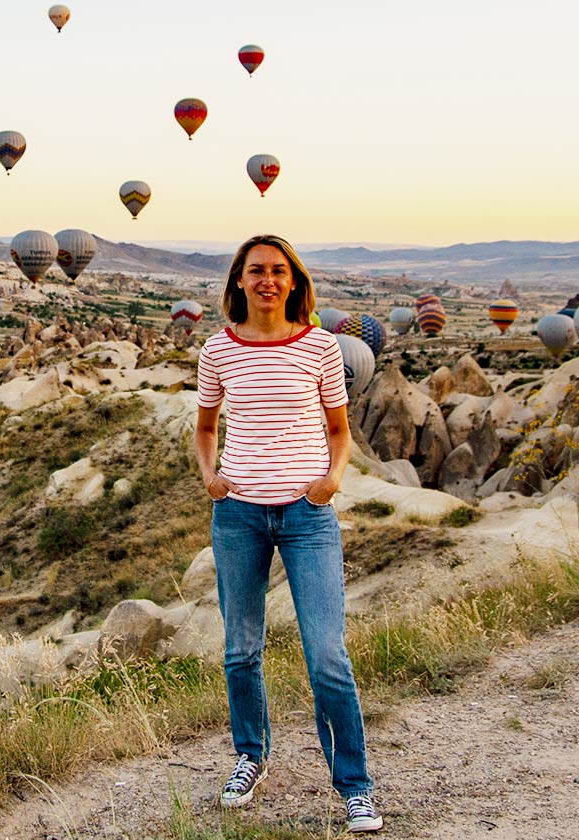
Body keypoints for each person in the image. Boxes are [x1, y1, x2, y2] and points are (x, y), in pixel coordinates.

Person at [192, 234, 380, 833]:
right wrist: (210, 474)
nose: (267, 280)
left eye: (278, 271)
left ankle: (354, 786)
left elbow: (340, 430)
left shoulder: (322, 347)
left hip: (306, 514)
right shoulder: (218, 350)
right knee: (240, 650)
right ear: (240, 281)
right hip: (239, 515)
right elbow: (204, 426)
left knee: (327, 655)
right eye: (256, 271)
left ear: (294, 281)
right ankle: (251, 757)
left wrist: (332, 479)